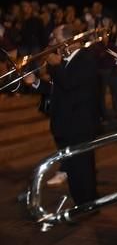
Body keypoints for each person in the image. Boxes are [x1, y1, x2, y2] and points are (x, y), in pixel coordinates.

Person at [24, 24, 100, 205]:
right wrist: (35, 83)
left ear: (67, 40)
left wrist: (56, 66)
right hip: (65, 123)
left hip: (80, 124)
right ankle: (80, 203)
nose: (53, 44)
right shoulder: (64, 62)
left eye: (55, 39)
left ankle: (88, 205)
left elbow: (70, 85)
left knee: (82, 168)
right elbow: (56, 90)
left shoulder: (85, 58)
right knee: (72, 169)